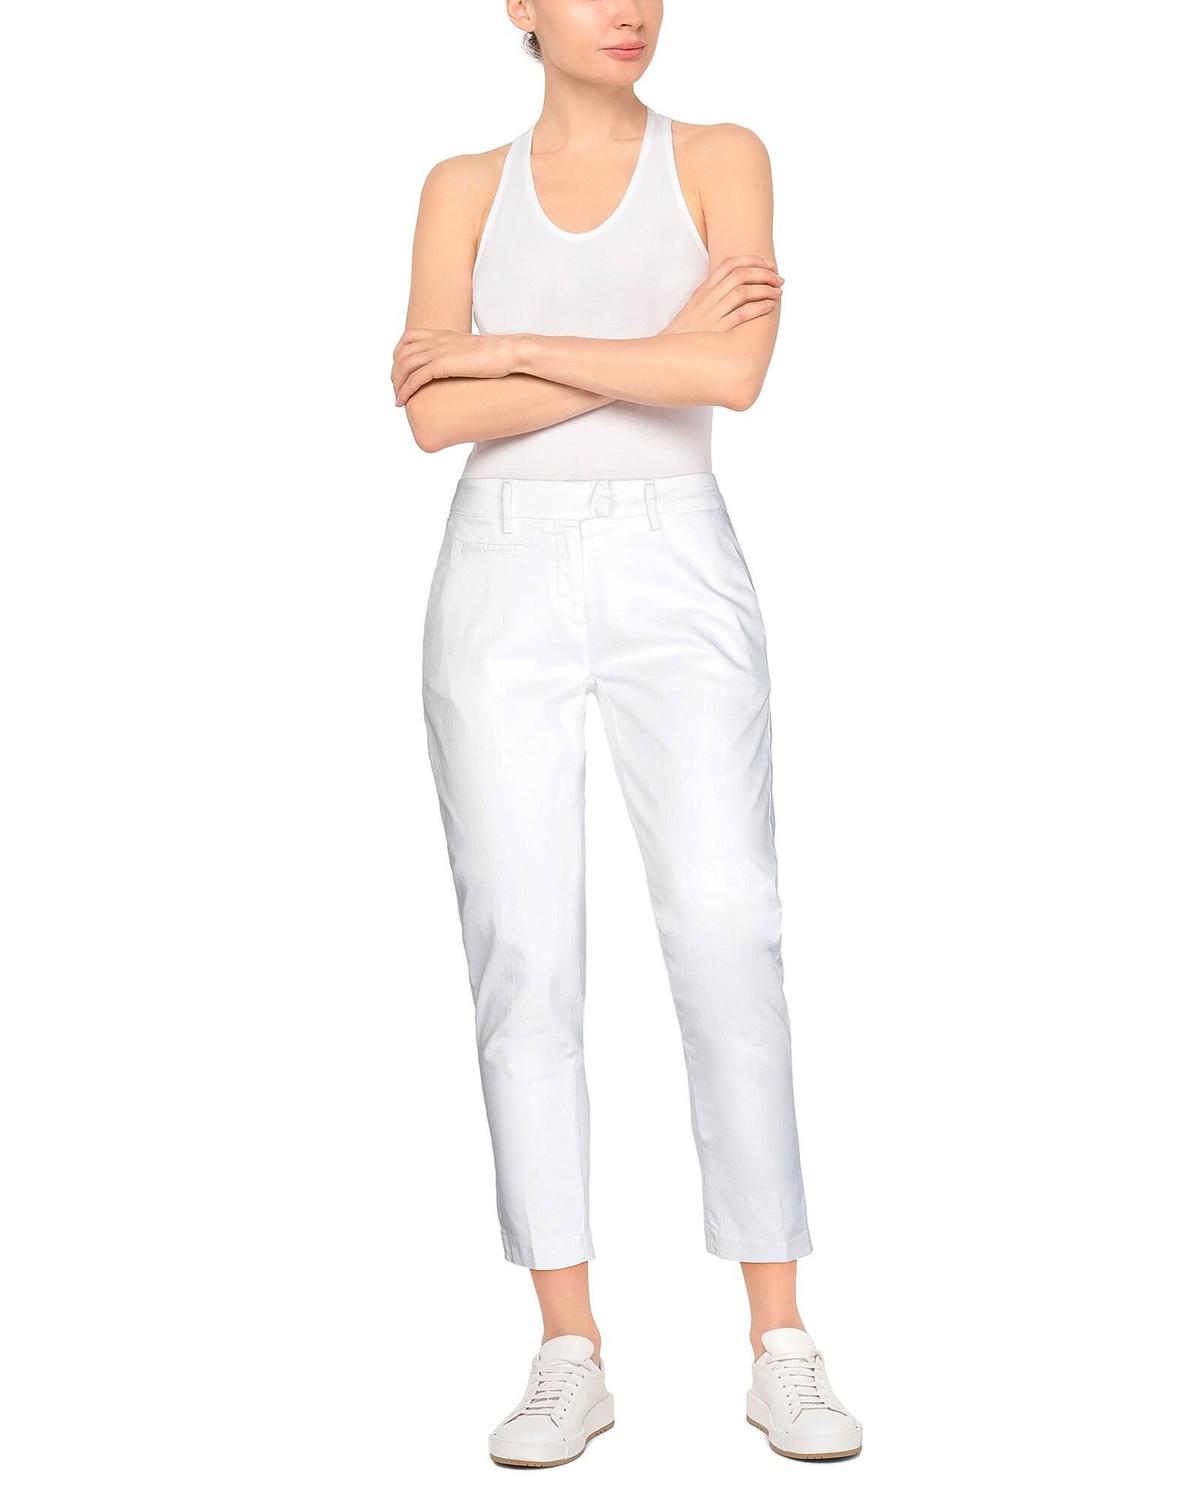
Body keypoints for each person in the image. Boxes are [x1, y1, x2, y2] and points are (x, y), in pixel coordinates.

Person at [391, 0, 861, 1469]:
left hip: (676, 557)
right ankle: (568, 1347)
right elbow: (427, 414)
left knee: (727, 924)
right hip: (501, 571)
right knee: (523, 948)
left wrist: (509, 352)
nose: (629, 8)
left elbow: (732, 377)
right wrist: (645, 348)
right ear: (517, 7)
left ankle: (778, 1341)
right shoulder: (461, 187)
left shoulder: (722, 157)